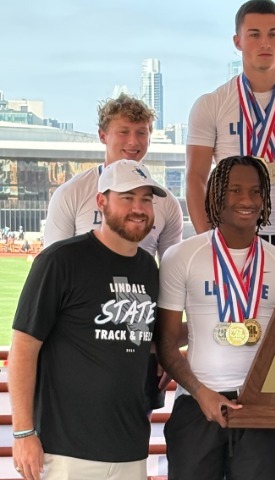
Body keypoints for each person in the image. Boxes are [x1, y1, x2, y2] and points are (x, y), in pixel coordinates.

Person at [9, 160, 167, 480]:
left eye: (146, 199)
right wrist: (23, 433)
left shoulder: (148, 268)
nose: (138, 208)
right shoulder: (60, 260)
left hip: (130, 448)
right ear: (101, 202)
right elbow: (24, 347)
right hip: (65, 451)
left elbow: (140, 341)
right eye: (127, 197)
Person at [156, 155, 275, 480]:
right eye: (234, 190)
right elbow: (165, 342)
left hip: (259, 412)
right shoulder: (181, 257)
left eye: (255, 191)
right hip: (196, 404)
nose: (246, 200)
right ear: (216, 195)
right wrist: (201, 392)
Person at [43, 93, 183, 413]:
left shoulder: (166, 204)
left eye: (142, 132)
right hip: (81, 338)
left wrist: (167, 346)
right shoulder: (72, 193)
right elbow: (51, 275)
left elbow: (171, 283)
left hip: (137, 337)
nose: (133, 141)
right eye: (123, 132)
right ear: (103, 135)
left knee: (135, 426)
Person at [186, 0, 275, 288]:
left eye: (273, 34)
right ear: (237, 41)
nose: (265, 43)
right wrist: (207, 237)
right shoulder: (211, 104)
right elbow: (195, 177)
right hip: (229, 234)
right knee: (230, 313)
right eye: (254, 34)